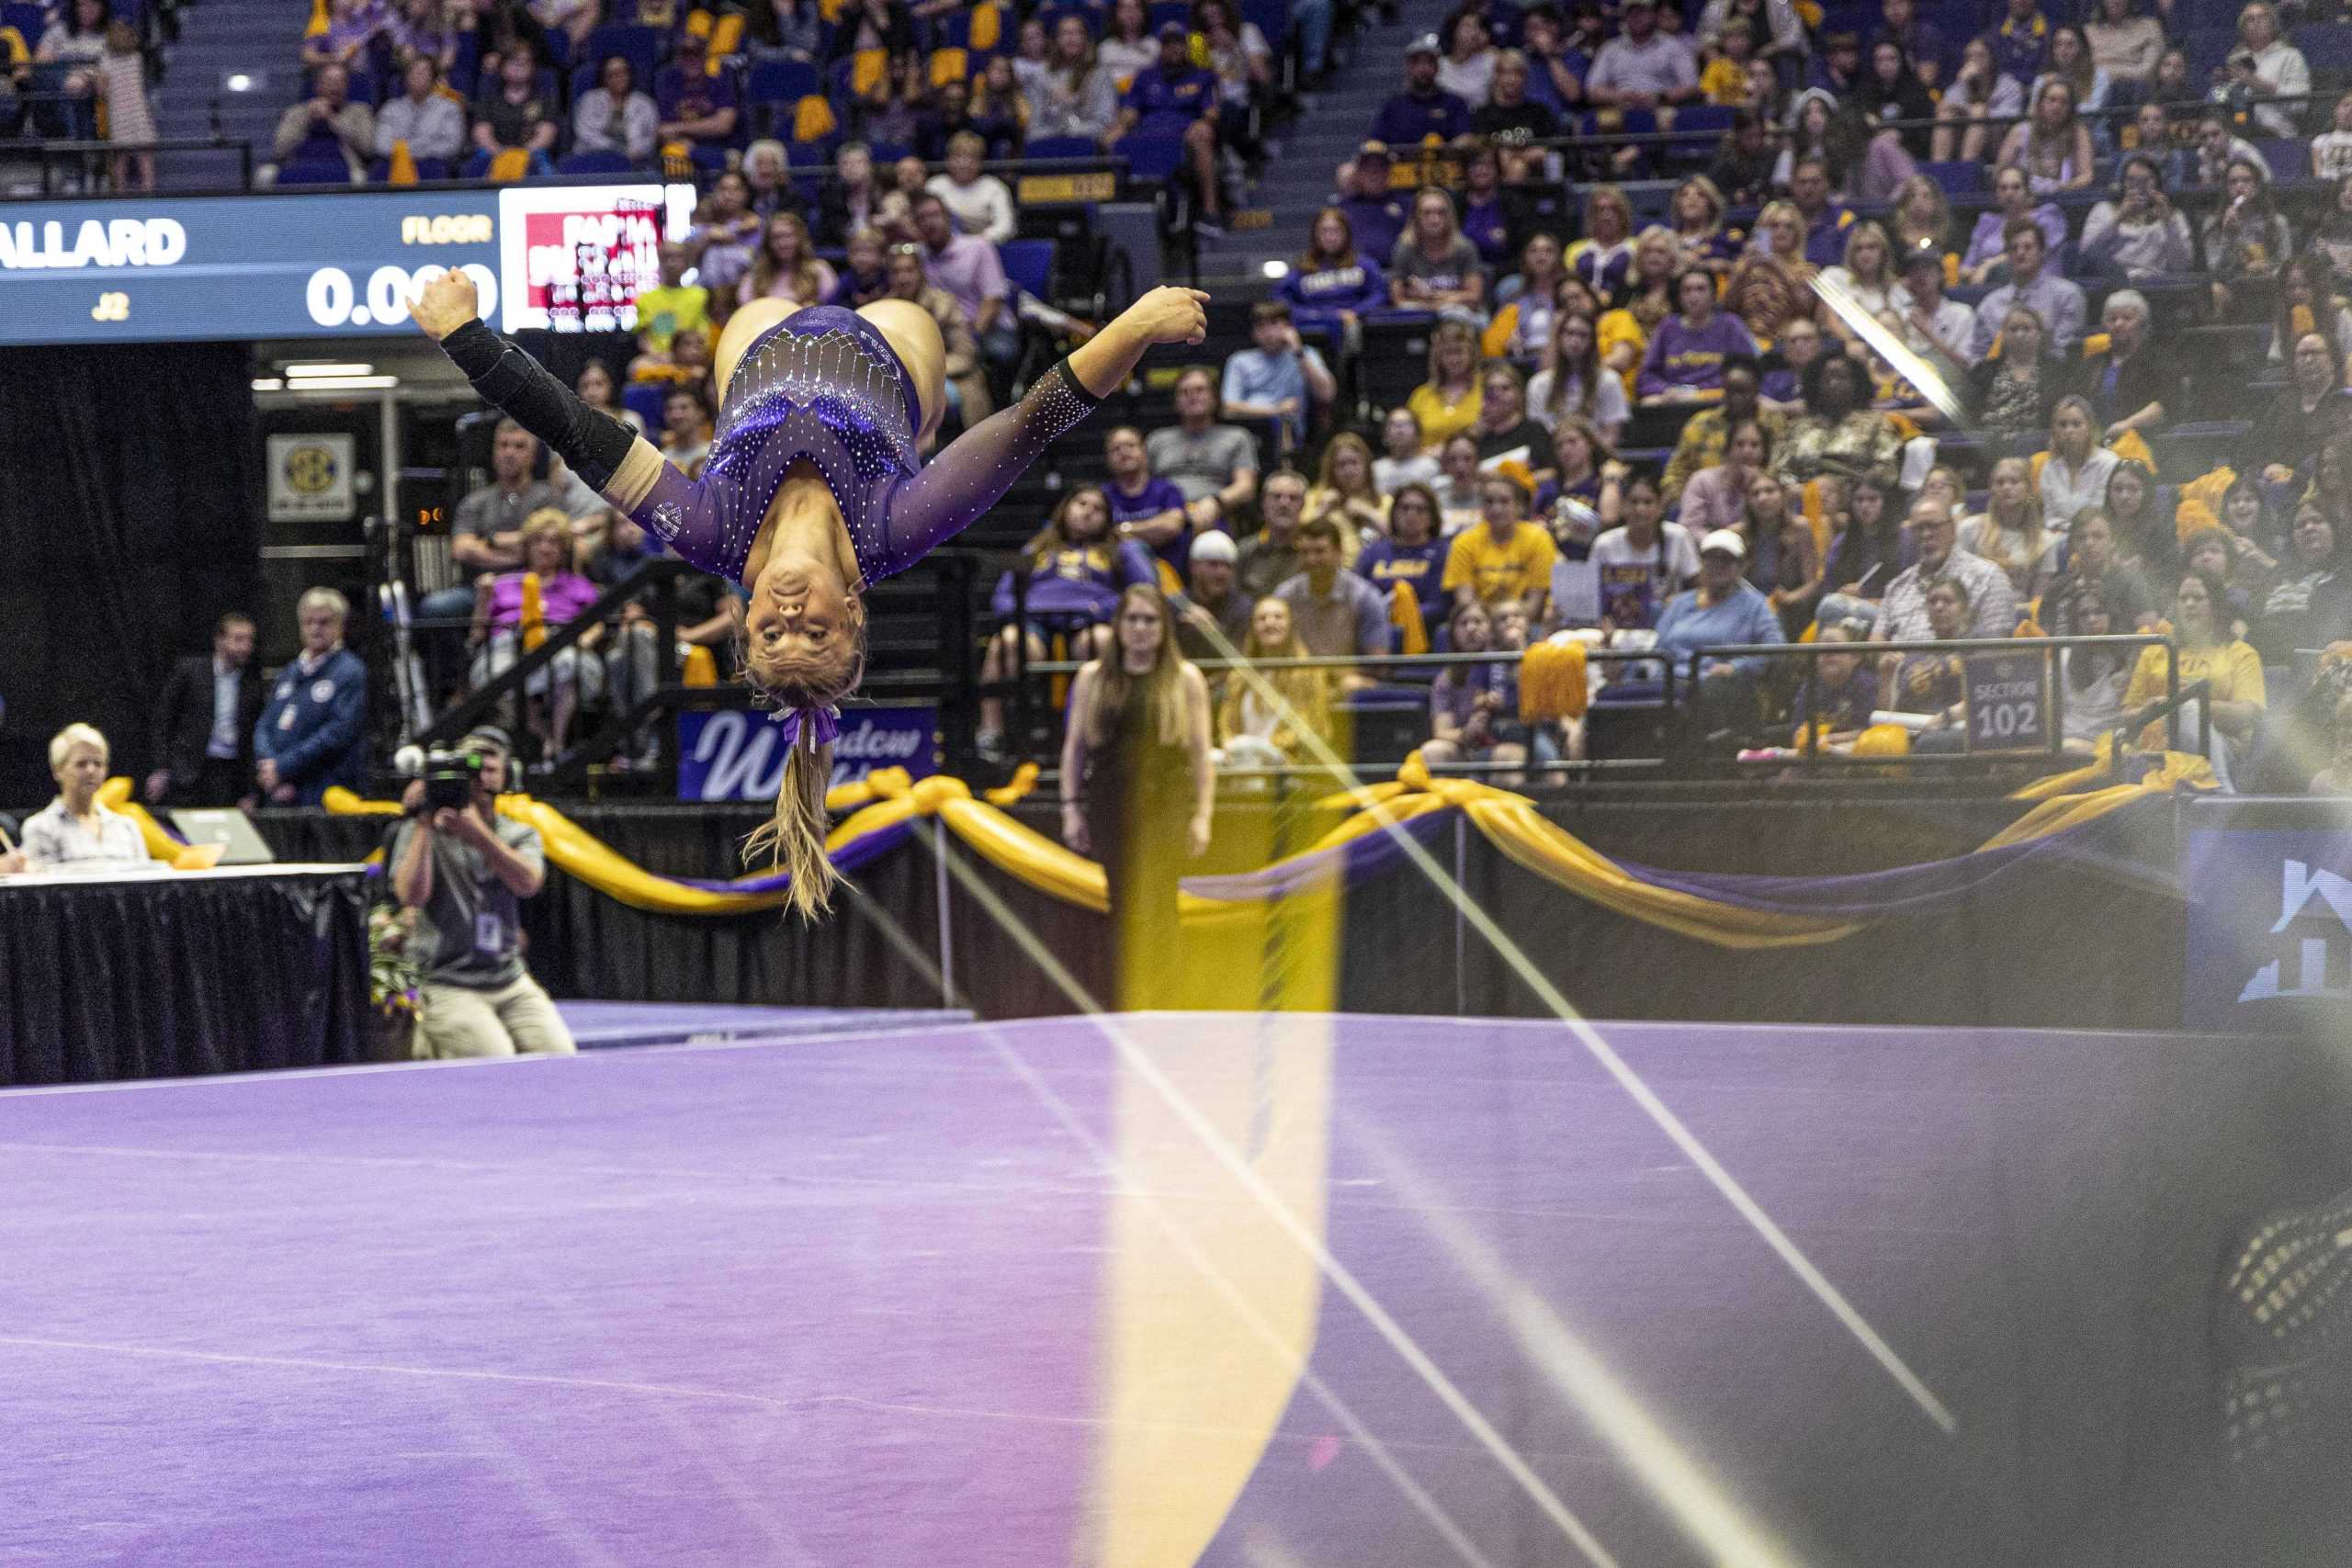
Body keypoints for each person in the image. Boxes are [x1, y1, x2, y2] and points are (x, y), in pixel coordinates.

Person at [411, 264, 1211, 918]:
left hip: (756, 354)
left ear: (743, 616)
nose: (791, 619)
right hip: (891, 358)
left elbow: (574, 430)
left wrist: (467, 339)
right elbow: (1036, 420)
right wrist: (1133, 325)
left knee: (756, 311)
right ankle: (924, 418)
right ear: (853, 616)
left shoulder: (707, 528)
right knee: (904, 314)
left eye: (772, 636)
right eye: (815, 636)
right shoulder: (897, 527)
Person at [1058, 585, 1215, 1007]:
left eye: (1150, 620)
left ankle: (1167, 1000)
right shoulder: (1092, 677)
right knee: (1122, 905)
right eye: (1133, 619)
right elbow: (1074, 749)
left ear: (1163, 628)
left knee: (1162, 905)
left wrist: (1202, 815)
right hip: (1111, 802)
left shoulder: (1186, 680)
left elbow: (1201, 754)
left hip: (1167, 803)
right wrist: (1071, 809)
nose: (1141, 629)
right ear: (1119, 626)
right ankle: (1124, 1000)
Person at [390, 726, 576, 1060]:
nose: (480, 778)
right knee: (494, 1058)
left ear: (508, 778)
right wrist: (423, 821)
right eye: (472, 769)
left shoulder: (518, 834)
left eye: (491, 769)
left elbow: (528, 884)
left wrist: (476, 834)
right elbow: (411, 896)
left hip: (509, 980)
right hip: (447, 982)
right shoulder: (423, 831)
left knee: (560, 1055)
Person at [980, 485, 1155, 753]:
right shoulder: (1038, 546)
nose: (1088, 512)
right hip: (1034, 621)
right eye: (1081, 503)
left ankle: (1102, 733)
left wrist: (1104, 607)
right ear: (1065, 508)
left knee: (1101, 641)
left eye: (1097, 509)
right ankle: (992, 734)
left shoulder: (1116, 550)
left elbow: (1143, 590)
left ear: (1107, 519)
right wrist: (1023, 611)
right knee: (1008, 643)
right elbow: (1002, 596)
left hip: (1090, 620)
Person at [2120, 572, 2265, 784]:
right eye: (2183, 598)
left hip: (2221, 743)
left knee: (2185, 708)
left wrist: (2186, 705)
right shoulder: (2156, 651)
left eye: (2198, 598)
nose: (2189, 604)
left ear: (2215, 604)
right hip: (2155, 744)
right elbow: (2125, 715)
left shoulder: (2241, 652)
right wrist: (2146, 711)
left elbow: (2246, 713)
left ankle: (2220, 791)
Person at [1652, 529, 1783, 739]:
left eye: (1726, 560)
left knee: (1699, 697)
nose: (1717, 566)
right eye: (1711, 560)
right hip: (1670, 680)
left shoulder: (1756, 606)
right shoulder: (1679, 604)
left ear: (1741, 567)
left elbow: (1775, 649)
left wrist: (1736, 666)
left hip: (1716, 684)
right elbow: (1658, 647)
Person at [1871, 499, 2018, 677]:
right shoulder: (1897, 586)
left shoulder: (1988, 577)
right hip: (1901, 683)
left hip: (1960, 682)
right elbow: (1876, 639)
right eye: (1919, 528)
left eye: (1934, 526)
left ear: (1952, 529)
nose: (1926, 534)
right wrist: (1885, 656)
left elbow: (1996, 649)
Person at [254, 588, 369, 807]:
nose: (315, 629)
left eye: (324, 622)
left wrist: (284, 768)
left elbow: (337, 733)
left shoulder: (350, 671)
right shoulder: (290, 671)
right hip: (278, 791)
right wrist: (271, 768)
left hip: (321, 794)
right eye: (309, 622)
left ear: (340, 625)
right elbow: (264, 724)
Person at [1105, 22, 1224, 230]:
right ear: (1161, 47)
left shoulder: (1203, 76)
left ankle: (1210, 211)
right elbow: (1131, 112)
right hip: (1147, 133)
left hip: (1184, 135)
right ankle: (1112, 210)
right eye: (1168, 44)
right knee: (1111, 139)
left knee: (1203, 135)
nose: (1174, 48)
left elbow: (1211, 112)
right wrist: (1121, 126)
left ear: (1186, 46)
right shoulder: (1145, 76)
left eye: (1178, 43)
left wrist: (1204, 123)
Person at [147, 612, 263, 807]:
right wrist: (161, 768)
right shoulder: (191, 671)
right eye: (238, 639)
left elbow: (252, 738)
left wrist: (250, 790)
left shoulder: (251, 684)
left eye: (249, 640)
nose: (245, 647)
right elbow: (164, 720)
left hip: (228, 774)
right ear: (220, 640)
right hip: (188, 772)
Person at [1148, 367, 1261, 555]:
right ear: (1176, 402)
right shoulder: (1157, 440)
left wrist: (1215, 502)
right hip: (1164, 516)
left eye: (1200, 390)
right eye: (1184, 392)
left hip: (1215, 516)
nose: (1192, 396)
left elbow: (1246, 487)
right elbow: (1143, 486)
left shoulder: (1237, 437)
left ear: (1215, 398)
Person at [1216, 594, 1334, 769]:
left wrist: (1264, 749)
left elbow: (1310, 724)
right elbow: (1227, 723)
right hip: (1239, 760)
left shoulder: (1310, 672)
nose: (1270, 623)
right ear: (1253, 628)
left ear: (1291, 625)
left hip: (1287, 764)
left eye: (1278, 617)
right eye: (1262, 618)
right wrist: (1232, 746)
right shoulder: (1239, 675)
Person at [1573, 469, 1698, 632]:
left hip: (1668, 623)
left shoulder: (1678, 537)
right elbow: (1588, 595)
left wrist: (1678, 603)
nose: (1640, 509)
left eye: (1647, 502)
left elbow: (1699, 588)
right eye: (1634, 502)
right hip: (1615, 626)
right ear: (1623, 507)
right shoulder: (1605, 543)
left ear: (1660, 507)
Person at [1275, 518, 1391, 682]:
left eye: (1319, 551)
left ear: (1339, 552)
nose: (1311, 559)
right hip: (1297, 685)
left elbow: (1379, 665)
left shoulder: (1365, 596)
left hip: (1349, 685)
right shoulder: (1284, 596)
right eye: (1305, 552)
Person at [1422, 600, 1528, 779]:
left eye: (1478, 622)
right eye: (1463, 623)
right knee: (1433, 750)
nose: (1471, 628)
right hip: (1466, 746)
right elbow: (1441, 730)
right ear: (1453, 632)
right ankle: (1445, 808)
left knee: (1505, 755)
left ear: (1492, 627)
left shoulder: (1509, 662)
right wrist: (1466, 733)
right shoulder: (1446, 678)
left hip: (1508, 741)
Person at [21, 724, 148, 871]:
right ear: (58, 771)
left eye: (98, 764)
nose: (91, 770)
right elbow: (42, 889)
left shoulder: (127, 827)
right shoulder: (41, 828)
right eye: (81, 764)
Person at [1660, 355, 1781, 503]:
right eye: (1730, 391)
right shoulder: (1701, 423)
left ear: (1756, 389)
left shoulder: (1773, 423)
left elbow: (1780, 470)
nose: (1735, 398)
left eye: (1742, 391)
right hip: (1704, 504)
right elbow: (1676, 471)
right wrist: (1687, 500)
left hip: (1761, 503)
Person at [1221, 302, 1335, 454]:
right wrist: (1276, 410)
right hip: (1250, 431)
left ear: (1288, 327)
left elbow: (1327, 394)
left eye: (1274, 324)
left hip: (1289, 433)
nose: (1268, 332)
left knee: (1284, 423)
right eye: (1261, 326)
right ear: (1254, 333)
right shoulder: (1240, 360)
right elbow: (1229, 407)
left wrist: (1298, 351)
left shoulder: (1304, 355)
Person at [2249, 503, 2351, 666]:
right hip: (2266, 667)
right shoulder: (2275, 579)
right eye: (2300, 525)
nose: (2309, 528)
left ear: (2334, 529)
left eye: (2317, 520)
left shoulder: (2347, 578)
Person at [1969, 220, 2086, 361]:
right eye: (2014, 248)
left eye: (2028, 247)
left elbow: (2064, 351)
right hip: (1998, 378)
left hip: (2052, 376)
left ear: (2042, 252)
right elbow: (1978, 356)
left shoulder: (2067, 295)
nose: (2020, 253)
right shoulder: (1990, 304)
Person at [1637, 268, 1759, 404]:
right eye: (1687, 290)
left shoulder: (1730, 324)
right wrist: (1665, 390)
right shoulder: (1667, 327)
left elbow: (1749, 369)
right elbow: (1647, 375)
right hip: (1674, 397)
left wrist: (1700, 394)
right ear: (1679, 296)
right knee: (1650, 403)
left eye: (1701, 289)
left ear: (1713, 294)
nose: (1693, 295)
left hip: (1718, 396)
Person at [1444, 471, 1558, 607]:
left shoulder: (1539, 538)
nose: (1496, 509)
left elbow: (1535, 602)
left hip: (1523, 620)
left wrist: (1510, 623)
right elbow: (1465, 600)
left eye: (1504, 501)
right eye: (1489, 501)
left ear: (1519, 506)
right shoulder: (1463, 542)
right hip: (1480, 621)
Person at [1357, 481, 1452, 641]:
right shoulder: (1372, 552)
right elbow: (1358, 595)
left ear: (1432, 516)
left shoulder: (1442, 552)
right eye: (1405, 508)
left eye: (1420, 509)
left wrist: (1402, 614)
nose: (1411, 514)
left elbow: (1440, 605)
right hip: (1375, 632)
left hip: (1426, 634)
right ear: (1393, 512)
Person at [2080, 291, 2177, 446]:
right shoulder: (2093, 363)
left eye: (2127, 318)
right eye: (2112, 319)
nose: (2118, 324)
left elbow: (2166, 404)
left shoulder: (2157, 359)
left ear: (2141, 323)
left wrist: (2127, 425)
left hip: (2143, 440)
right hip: (2094, 442)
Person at [2203, 156, 2293, 321]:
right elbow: (2214, 269)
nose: (2239, 186)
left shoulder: (2277, 222)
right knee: (2215, 291)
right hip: (2233, 287)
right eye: (2233, 182)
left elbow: (2286, 264)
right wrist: (2228, 236)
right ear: (2226, 188)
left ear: (2257, 186)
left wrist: (2267, 267)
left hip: (2269, 285)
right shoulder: (2213, 224)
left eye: (2246, 180)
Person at [2078, 155, 2194, 283]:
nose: (2138, 186)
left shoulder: (2174, 216)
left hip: (2155, 284)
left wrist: (2168, 222)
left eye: (2145, 180)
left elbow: (2182, 265)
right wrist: (2119, 216)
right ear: (2122, 183)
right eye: (2131, 180)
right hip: (2114, 283)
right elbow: (2087, 252)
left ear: (2157, 183)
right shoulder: (2103, 209)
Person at [1527, 310, 1628, 447]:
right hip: (1550, 461)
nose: (1575, 340)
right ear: (1559, 338)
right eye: (1570, 333)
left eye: (1583, 335)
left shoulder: (1609, 381)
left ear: (1592, 341)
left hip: (1596, 460)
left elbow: (1611, 438)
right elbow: (1538, 438)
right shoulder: (1539, 384)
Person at [1960, 456, 2052, 600]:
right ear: (1992, 489)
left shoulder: (2045, 541)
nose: (2006, 487)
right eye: (1999, 482)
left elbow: (2038, 601)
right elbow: (1959, 585)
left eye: (2014, 481)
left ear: (2029, 488)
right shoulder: (1969, 529)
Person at [1960, 164, 2065, 288]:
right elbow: (1966, 267)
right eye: (2003, 188)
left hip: (2041, 287)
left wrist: (1990, 265)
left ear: (2028, 192)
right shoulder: (1988, 223)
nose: (2009, 193)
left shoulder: (2047, 217)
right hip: (1991, 288)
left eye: (2016, 187)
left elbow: (2035, 253)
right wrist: (1975, 272)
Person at [1586, 0, 1699, 111]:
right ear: (1624, 17)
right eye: (1631, 13)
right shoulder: (1610, 49)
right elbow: (1592, 90)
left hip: (1662, 108)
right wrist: (1619, 96)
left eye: (1642, 12)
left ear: (1653, 15)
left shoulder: (1672, 46)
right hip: (1621, 110)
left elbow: (1691, 86)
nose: (1636, 17)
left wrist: (1661, 97)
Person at [272, 62, 375, 182]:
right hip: (297, 166)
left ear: (347, 86)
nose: (335, 87)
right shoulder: (297, 112)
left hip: (347, 168)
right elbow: (278, 150)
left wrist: (332, 120)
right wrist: (307, 118)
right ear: (317, 86)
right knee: (265, 174)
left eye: (340, 82)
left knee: (360, 178)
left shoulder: (360, 111)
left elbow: (368, 149)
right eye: (329, 82)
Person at [1933, 36, 2026, 165]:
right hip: (1963, 137)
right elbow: (1944, 106)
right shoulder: (1963, 82)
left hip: (1997, 142)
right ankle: (1939, 169)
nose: (1974, 61)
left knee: (1979, 111)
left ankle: (1967, 170)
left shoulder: (2009, 85)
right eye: (1970, 57)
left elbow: (2008, 118)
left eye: (1980, 55)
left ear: (1992, 59)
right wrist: (1961, 83)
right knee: (1945, 115)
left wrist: (1973, 110)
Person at [1997, 75, 2094, 196]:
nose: (2057, 106)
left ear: (2070, 108)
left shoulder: (2079, 132)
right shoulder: (2019, 131)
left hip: (2063, 198)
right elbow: (2000, 173)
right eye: (2052, 100)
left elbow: (2086, 176)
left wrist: (2059, 188)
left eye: (2064, 102)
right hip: (2023, 201)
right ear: (2041, 103)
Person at [1679, 415, 1772, 537]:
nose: (1747, 451)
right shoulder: (1702, 481)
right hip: (1708, 551)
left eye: (1755, 445)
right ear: (1728, 449)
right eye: (1739, 444)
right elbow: (1690, 528)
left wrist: (1754, 487)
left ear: (1764, 452)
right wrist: (1721, 542)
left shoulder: (1771, 488)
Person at [1372, 33, 1474, 146]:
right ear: (1408, 67)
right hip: (1400, 163)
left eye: (1429, 62)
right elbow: (1376, 141)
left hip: (1445, 162)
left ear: (1438, 67)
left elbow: (1465, 138)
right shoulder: (1393, 106)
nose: (1423, 68)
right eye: (1416, 62)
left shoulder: (1455, 103)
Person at [2038, 395, 2120, 535]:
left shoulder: (2109, 463)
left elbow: (2099, 515)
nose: (2069, 430)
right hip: (2058, 539)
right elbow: (2050, 518)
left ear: (2090, 428)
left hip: (2097, 539)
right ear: (2055, 431)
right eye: (2063, 425)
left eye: (2076, 424)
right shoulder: (2049, 467)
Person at [2231, 1, 2309, 142]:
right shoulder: (2236, 59)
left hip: (2278, 135)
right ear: (2243, 28)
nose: (2256, 22)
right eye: (2250, 19)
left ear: (2273, 24)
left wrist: (2260, 84)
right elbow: (2235, 100)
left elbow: (2300, 105)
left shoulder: (2291, 56)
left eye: (2262, 17)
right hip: (2240, 136)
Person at [925, 131, 1016, 247]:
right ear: (947, 160)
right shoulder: (934, 186)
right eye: (958, 157)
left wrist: (976, 242)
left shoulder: (994, 187)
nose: (964, 164)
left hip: (985, 247)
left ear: (981, 162)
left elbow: (1005, 226)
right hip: (942, 249)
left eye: (971, 158)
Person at [376, 55, 467, 166]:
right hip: (396, 165)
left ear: (434, 79)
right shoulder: (391, 108)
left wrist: (410, 152)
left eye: (424, 71)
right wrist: (405, 153)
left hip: (433, 167)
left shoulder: (449, 108)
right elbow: (381, 145)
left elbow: (452, 145)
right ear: (405, 78)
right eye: (413, 71)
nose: (418, 75)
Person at [1303, 432, 1387, 547]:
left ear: (1366, 465)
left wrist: (1368, 512)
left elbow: (1402, 536)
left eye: (1354, 463)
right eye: (1341, 464)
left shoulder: (1384, 500)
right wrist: (1322, 509)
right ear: (1331, 469)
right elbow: (1297, 536)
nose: (1349, 471)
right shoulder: (1315, 498)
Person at [1238, 468, 1306, 598]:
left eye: (1293, 498)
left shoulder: (1311, 553)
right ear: (1263, 502)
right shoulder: (1244, 550)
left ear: (1303, 505)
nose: (1284, 503)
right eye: (1276, 496)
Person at [1374, 408, 1441, 496]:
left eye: (1407, 424)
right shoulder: (1375, 469)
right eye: (1394, 424)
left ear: (1418, 434)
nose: (1400, 429)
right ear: (1385, 435)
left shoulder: (1430, 467)